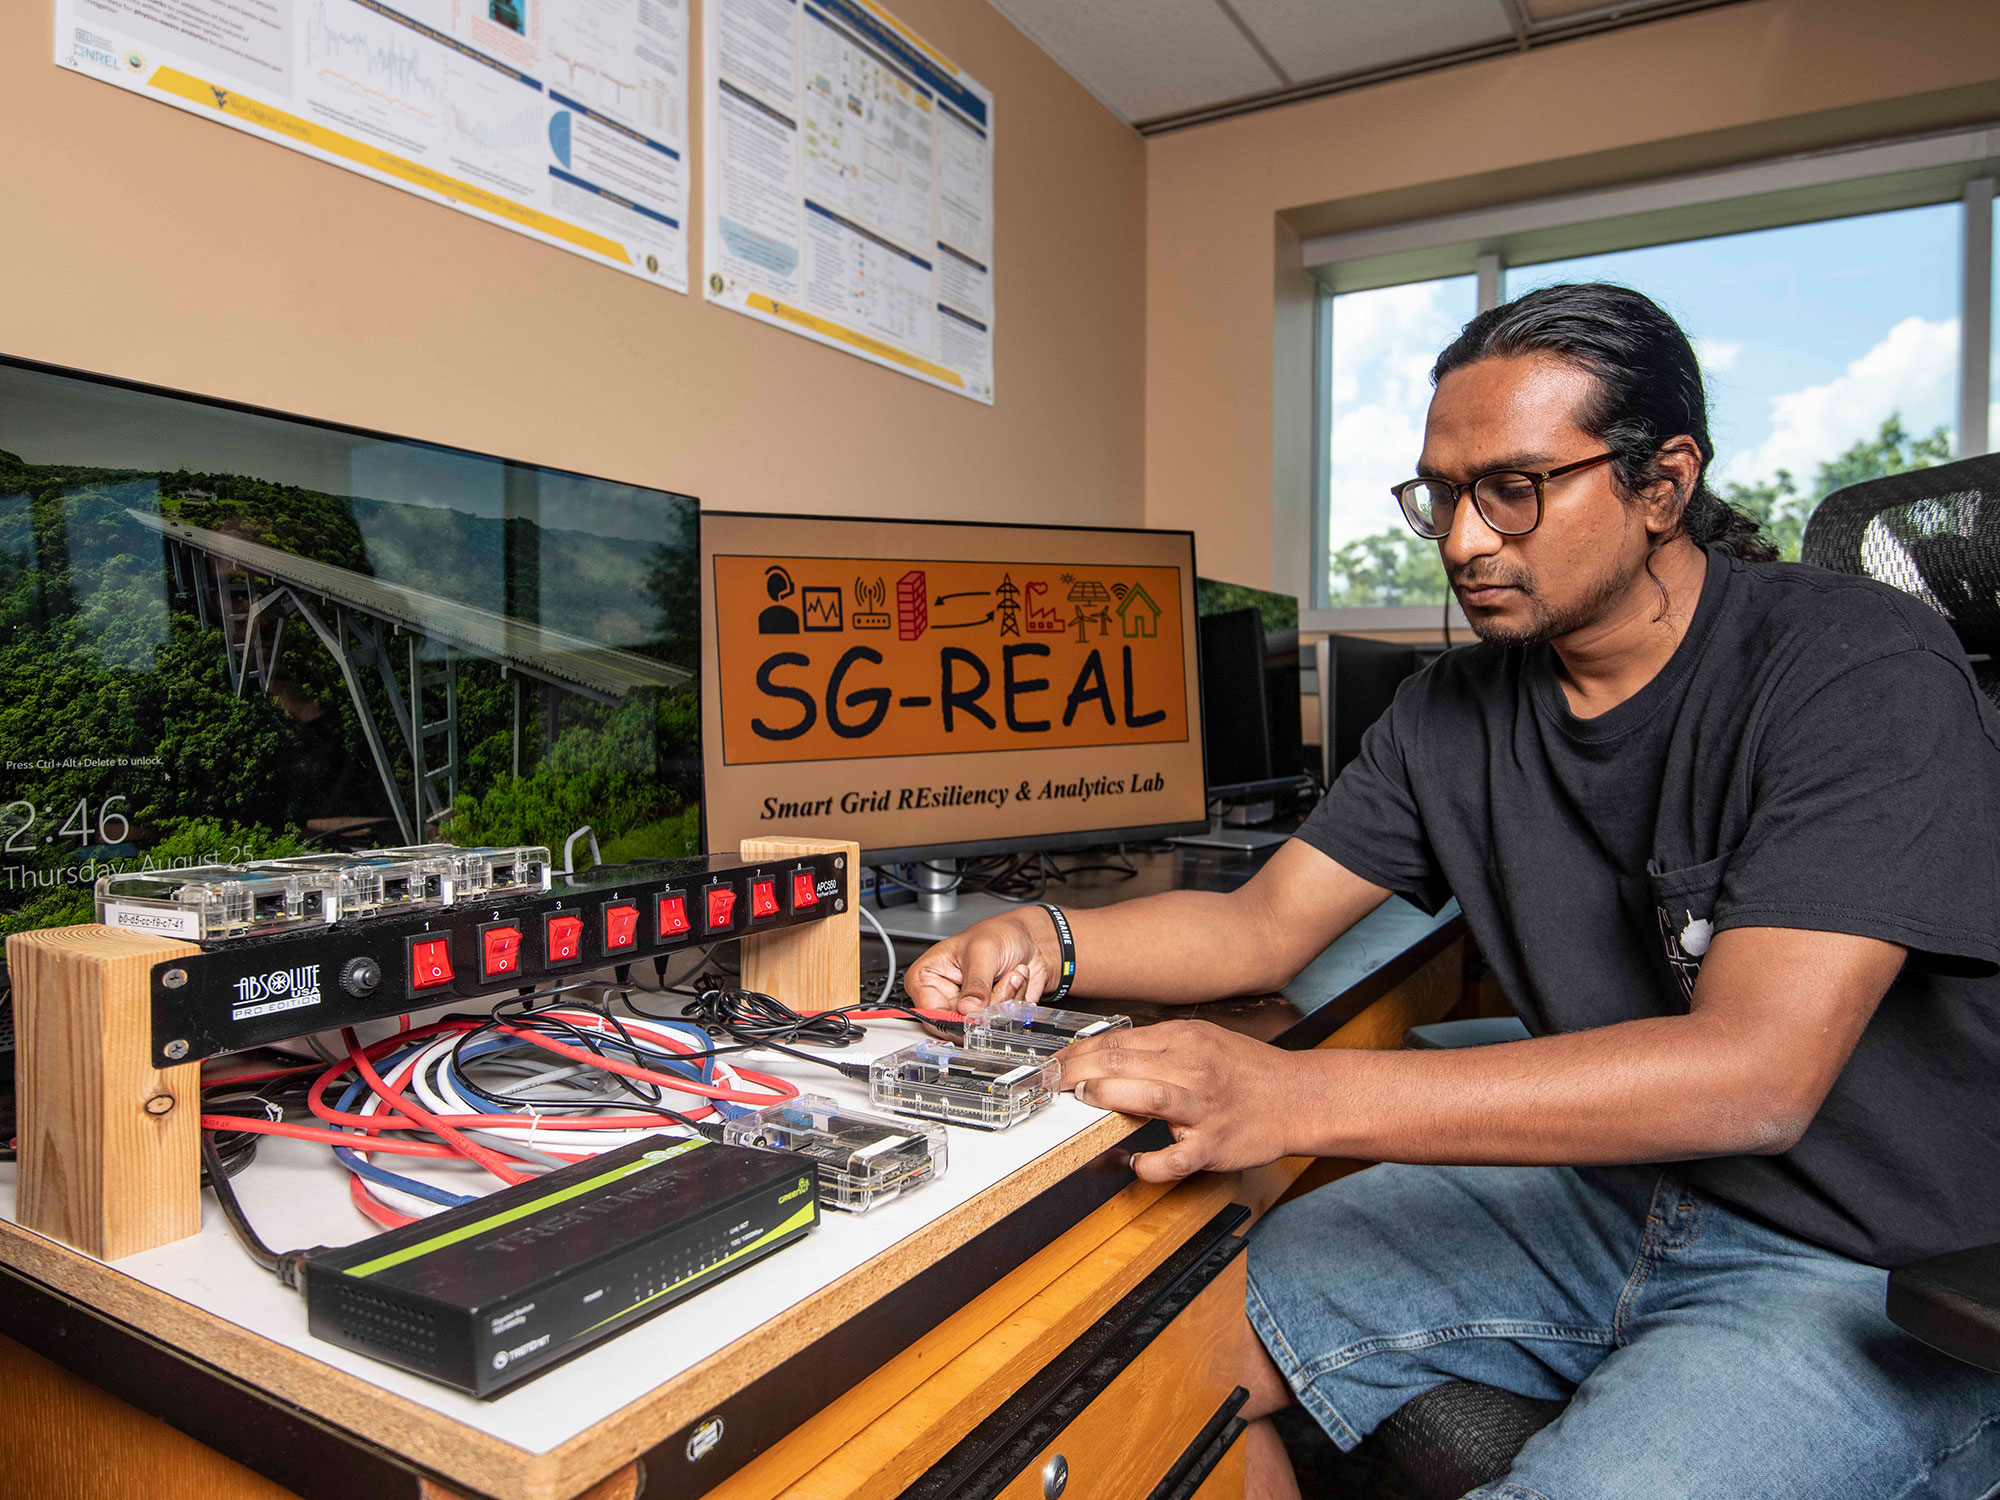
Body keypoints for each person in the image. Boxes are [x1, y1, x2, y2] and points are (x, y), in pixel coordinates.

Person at [904, 284, 2000, 1499]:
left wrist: (1290, 1094)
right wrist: (1046, 938)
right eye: (1442, 494)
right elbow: (1257, 927)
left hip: (1869, 1268)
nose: (1466, 539)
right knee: (1127, 1356)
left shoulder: (1850, 665)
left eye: (1514, 489)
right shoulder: (1450, 712)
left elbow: (1752, 1076)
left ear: (1661, 483)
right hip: (1607, 1202)